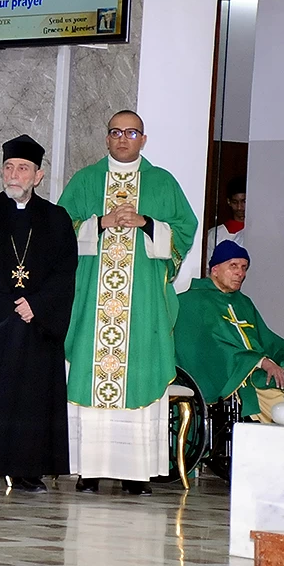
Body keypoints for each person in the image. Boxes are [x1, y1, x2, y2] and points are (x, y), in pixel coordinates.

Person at [58, 110, 197, 496]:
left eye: (131, 132)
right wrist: (99, 224)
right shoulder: (86, 181)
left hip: (142, 305)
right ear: (106, 138)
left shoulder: (162, 182)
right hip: (93, 301)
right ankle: (88, 470)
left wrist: (147, 222)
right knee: (90, 374)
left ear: (143, 139)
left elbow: (186, 228)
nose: (123, 139)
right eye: (115, 132)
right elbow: (59, 228)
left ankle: (136, 473)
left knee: (139, 373)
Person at [0, 135, 77, 493]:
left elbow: (65, 272)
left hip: (36, 324)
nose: (14, 174)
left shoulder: (56, 219)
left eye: (23, 168)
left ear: (37, 176)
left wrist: (36, 306)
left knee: (33, 396)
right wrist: (4, 307)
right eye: (9, 167)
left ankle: (29, 471)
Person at [175, 240, 284, 423]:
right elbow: (211, 348)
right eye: (233, 266)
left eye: (244, 267)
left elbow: (267, 340)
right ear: (215, 269)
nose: (240, 273)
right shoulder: (193, 302)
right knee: (282, 410)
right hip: (234, 378)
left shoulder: (244, 303)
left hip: (258, 373)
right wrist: (259, 362)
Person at [206, 175, 245, 263]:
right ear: (229, 202)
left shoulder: (258, 231)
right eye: (235, 202)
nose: (240, 207)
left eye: (244, 201)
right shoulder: (214, 234)